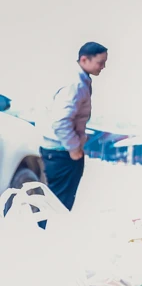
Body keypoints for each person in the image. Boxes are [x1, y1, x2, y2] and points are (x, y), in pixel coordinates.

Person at [37, 42, 107, 210]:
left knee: (57, 204)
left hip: (58, 151)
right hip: (61, 152)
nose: (103, 67)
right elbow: (61, 121)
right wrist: (74, 148)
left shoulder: (78, 80)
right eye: (100, 62)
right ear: (84, 59)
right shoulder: (75, 85)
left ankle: (52, 234)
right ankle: (52, 235)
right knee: (57, 206)